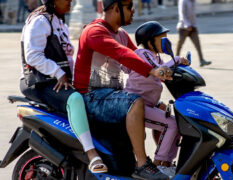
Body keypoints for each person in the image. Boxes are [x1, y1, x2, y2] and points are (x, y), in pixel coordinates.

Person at [73, 0, 171, 179]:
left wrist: (172, 68)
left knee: (162, 108)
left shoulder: (122, 35)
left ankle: (164, 163)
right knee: (135, 101)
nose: (133, 11)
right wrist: (152, 70)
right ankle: (142, 165)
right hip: (92, 97)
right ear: (116, 8)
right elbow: (121, 53)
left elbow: (140, 57)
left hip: (111, 96)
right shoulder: (94, 31)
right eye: (129, 7)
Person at [19, 0, 108, 174]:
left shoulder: (58, 21)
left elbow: (67, 58)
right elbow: (32, 56)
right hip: (38, 82)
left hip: (57, 79)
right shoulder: (40, 21)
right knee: (74, 99)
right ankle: (91, 154)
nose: (70, 1)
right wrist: (58, 72)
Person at [123, 21, 189, 177]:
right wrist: (177, 59)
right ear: (149, 41)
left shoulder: (155, 57)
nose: (166, 41)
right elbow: (160, 71)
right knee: (171, 124)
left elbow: (163, 69)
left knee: (177, 123)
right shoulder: (143, 53)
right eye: (161, 38)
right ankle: (159, 164)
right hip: (135, 105)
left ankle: (167, 163)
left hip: (148, 104)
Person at [176, 0, 211, 67]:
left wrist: (193, 25)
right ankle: (175, 61)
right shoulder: (183, 1)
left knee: (197, 43)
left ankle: (201, 60)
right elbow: (182, 14)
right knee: (180, 44)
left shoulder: (194, 1)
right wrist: (187, 25)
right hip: (183, 27)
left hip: (192, 26)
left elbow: (193, 14)